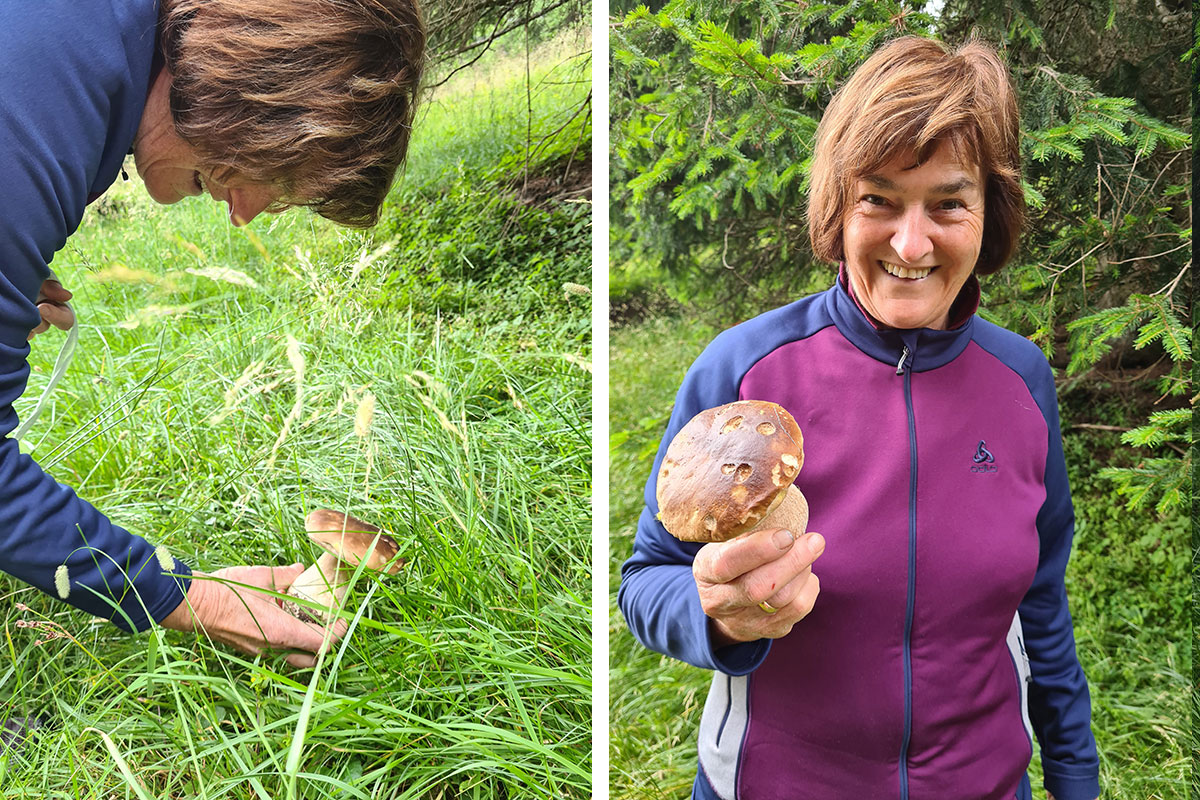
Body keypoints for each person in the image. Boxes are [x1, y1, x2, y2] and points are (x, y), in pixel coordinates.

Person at [619, 37, 1101, 800]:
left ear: (989, 212)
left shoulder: (1021, 383)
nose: (912, 243)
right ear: (839, 206)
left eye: (948, 202)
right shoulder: (745, 371)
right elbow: (647, 582)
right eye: (879, 198)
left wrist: (1077, 780)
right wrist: (713, 613)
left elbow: (1041, 611)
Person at [0, 0, 424, 668]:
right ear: (244, 85)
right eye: (272, 172)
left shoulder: (88, 44)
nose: (244, 212)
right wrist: (190, 596)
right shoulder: (45, 92)